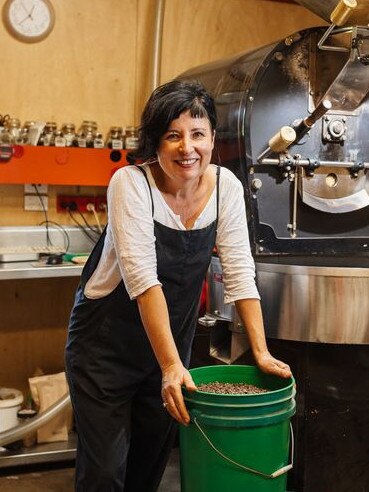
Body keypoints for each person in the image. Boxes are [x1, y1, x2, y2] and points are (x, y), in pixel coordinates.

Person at [65, 79, 292, 492]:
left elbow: (239, 272)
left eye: (198, 134)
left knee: (147, 469)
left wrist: (259, 350)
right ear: (155, 141)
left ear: (211, 138)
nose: (187, 148)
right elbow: (143, 280)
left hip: (169, 348)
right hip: (104, 350)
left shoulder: (226, 187)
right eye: (173, 135)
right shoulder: (130, 184)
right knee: (104, 474)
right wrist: (171, 366)